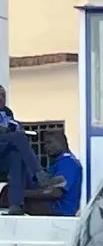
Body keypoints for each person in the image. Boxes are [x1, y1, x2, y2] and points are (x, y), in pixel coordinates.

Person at [0, 85, 53, 215]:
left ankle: (15, 205)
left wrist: (16, 128)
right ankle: (39, 174)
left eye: (3, 95)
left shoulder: (7, 112)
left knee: (16, 156)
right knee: (18, 137)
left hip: (3, 153)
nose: (1, 98)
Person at [44, 129, 82, 217]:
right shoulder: (59, 162)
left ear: (62, 142)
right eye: (45, 144)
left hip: (60, 212)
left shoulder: (67, 162)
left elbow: (55, 193)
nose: (46, 147)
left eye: (50, 142)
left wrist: (24, 193)